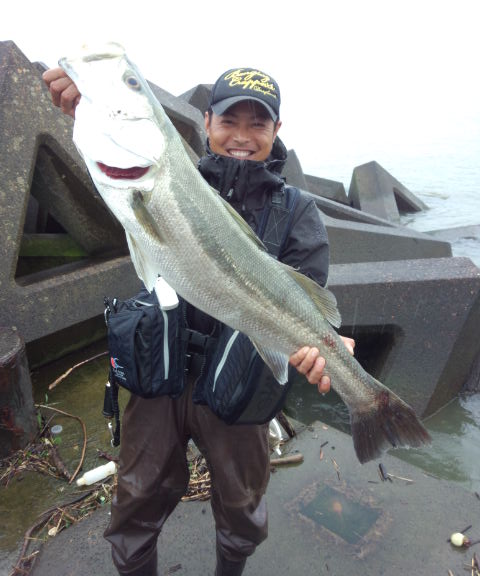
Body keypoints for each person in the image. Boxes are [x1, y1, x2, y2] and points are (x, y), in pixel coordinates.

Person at [43, 64, 355, 576]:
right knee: (135, 501)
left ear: (277, 132)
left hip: (240, 383)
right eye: (230, 120)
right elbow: (121, 155)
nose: (241, 136)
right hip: (159, 378)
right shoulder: (171, 174)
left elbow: (307, 297)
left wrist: (321, 344)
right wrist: (90, 106)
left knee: (242, 510)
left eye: (258, 124)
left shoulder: (296, 212)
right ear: (206, 122)